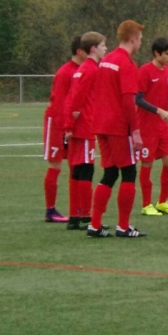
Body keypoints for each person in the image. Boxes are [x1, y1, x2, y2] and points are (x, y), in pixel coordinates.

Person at [89, 20, 146, 238]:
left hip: (101, 124)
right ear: (132, 39)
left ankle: (95, 224)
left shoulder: (106, 61)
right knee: (129, 173)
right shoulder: (127, 63)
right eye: (140, 39)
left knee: (110, 173)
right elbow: (128, 100)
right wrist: (135, 130)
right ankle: (123, 226)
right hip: (119, 126)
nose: (141, 43)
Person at [62, 32, 107, 231]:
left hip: (78, 126)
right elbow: (76, 99)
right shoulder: (91, 70)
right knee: (86, 170)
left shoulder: (82, 69)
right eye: (103, 46)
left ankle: (74, 215)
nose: (106, 49)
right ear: (94, 48)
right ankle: (86, 215)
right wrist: (70, 124)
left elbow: (71, 97)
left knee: (77, 170)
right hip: (85, 126)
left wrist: (68, 125)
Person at [136, 37, 168, 217]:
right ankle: (146, 204)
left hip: (162, 126)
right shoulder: (144, 71)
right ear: (157, 53)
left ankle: (163, 202)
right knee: (147, 163)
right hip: (146, 126)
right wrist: (158, 111)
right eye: (167, 54)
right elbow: (137, 99)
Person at [42, 36, 86, 223]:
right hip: (58, 124)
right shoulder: (65, 72)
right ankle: (50, 210)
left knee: (76, 166)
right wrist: (65, 128)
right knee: (55, 164)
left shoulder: (84, 70)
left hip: (74, 125)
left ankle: (77, 208)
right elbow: (60, 103)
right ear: (79, 51)